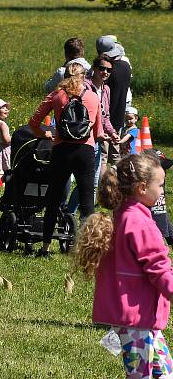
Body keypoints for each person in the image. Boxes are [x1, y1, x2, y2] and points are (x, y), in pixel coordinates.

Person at [41, 152, 173, 379]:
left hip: (139, 318)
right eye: (160, 185)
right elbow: (158, 268)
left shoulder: (125, 214)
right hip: (138, 320)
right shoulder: (139, 223)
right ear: (141, 187)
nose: (162, 191)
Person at [29, 62, 103, 257]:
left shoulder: (57, 96)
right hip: (85, 152)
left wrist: (47, 135)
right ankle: (88, 248)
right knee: (87, 200)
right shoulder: (93, 97)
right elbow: (98, 132)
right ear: (84, 76)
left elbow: (33, 123)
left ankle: (45, 247)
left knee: (53, 198)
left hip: (62, 150)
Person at [66, 54, 120, 215]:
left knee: (92, 183)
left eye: (108, 70)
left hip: (97, 140)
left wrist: (112, 132)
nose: (105, 72)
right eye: (101, 68)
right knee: (84, 182)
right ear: (94, 69)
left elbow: (105, 116)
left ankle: (72, 213)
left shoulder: (106, 89)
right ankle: (69, 213)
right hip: (81, 138)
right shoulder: (85, 87)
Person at [99, 35, 132, 167]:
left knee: (102, 156)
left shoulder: (108, 71)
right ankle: (121, 182)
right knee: (115, 154)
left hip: (105, 118)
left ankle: (101, 185)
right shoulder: (125, 66)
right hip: (119, 116)